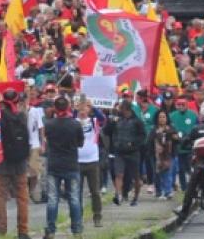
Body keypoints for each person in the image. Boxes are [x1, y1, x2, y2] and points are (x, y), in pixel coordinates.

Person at [43, 95, 84, 239]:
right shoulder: (75, 124)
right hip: (71, 165)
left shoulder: (49, 124)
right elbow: (81, 143)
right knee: (74, 199)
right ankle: (77, 231)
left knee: (53, 199)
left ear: (55, 108)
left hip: (54, 165)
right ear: (68, 107)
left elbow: (47, 141)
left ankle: (51, 230)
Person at [0, 89, 31, 239]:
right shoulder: (22, 117)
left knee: (0, 197)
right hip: (21, 162)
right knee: (22, 197)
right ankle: (23, 231)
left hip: (3, 161)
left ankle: (1, 231)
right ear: (17, 101)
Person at [106, 99, 145, 206]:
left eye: (121, 108)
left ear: (126, 109)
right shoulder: (117, 119)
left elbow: (142, 136)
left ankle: (135, 197)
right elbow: (106, 131)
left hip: (133, 153)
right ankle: (118, 195)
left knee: (136, 177)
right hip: (119, 152)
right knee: (119, 174)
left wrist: (133, 143)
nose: (119, 110)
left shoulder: (137, 121)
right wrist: (111, 122)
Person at [76, 99, 103, 228]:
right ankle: (78, 217)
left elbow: (102, 118)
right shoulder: (73, 122)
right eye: (80, 109)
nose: (82, 111)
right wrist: (75, 108)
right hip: (77, 162)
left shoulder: (94, 121)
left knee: (95, 191)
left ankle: (97, 216)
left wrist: (93, 107)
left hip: (92, 160)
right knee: (77, 192)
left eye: (85, 108)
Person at [150, 110, 178, 200]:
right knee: (159, 174)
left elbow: (177, 140)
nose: (162, 119)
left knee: (168, 173)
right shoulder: (154, 129)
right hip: (158, 156)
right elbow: (149, 141)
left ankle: (168, 191)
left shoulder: (171, 128)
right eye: (160, 117)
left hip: (169, 155)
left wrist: (175, 137)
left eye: (164, 117)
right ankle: (160, 191)